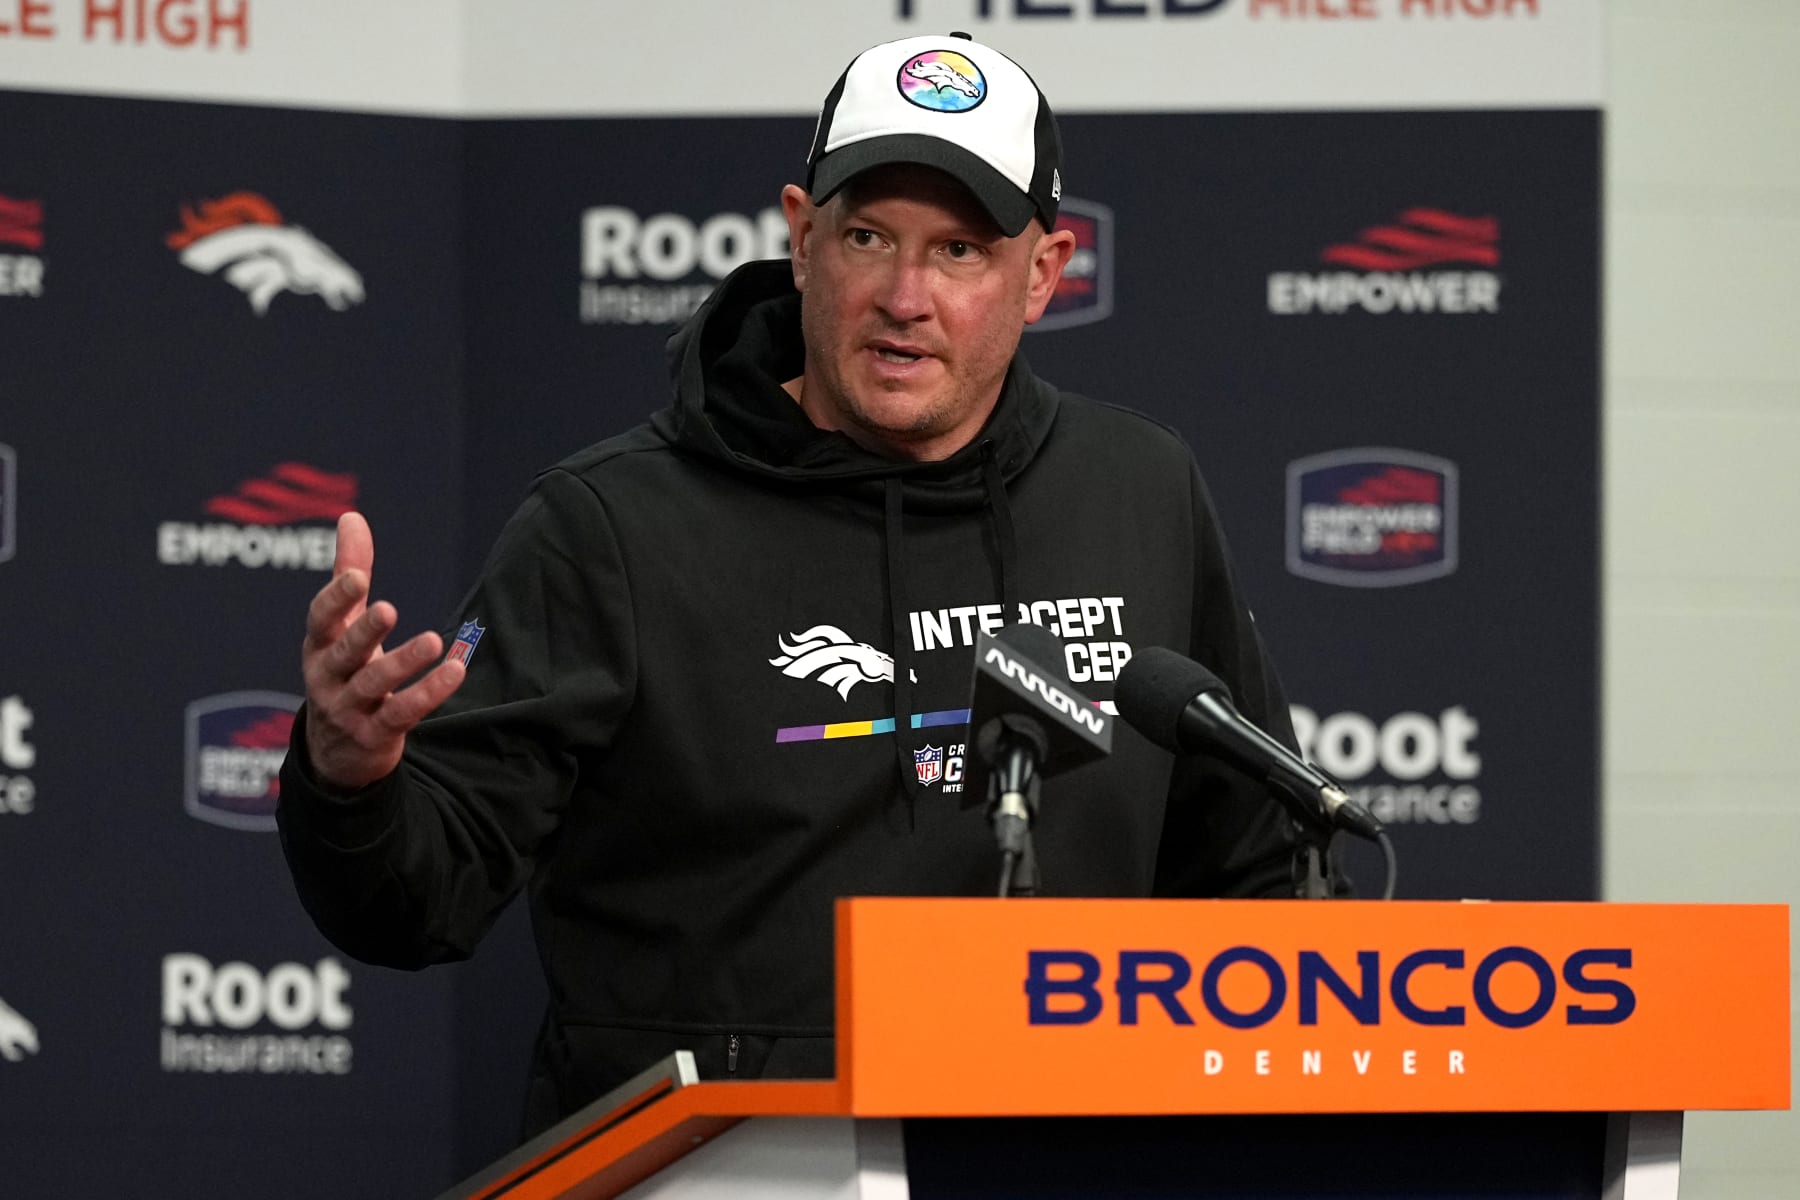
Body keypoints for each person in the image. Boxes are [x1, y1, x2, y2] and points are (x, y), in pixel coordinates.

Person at [277, 31, 1300, 1137]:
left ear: (1043, 274)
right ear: (803, 241)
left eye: (960, 253)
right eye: (869, 237)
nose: (907, 297)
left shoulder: (1138, 490)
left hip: (1052, 1156)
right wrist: (349, 779)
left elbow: (1249, 872)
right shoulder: (613, 525)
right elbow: (418, 903)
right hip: (712, 1160)